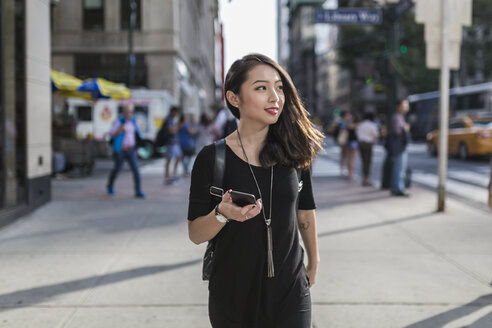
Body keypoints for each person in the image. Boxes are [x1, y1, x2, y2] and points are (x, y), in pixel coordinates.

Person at [187, 53, 324, 327]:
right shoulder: (212, 158)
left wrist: (314, 260)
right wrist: (222, 214)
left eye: (279, 87)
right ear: (234, 98)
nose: (275, 97)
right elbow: (195, 234)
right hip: (233, 293)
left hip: (290, 289)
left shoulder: (295, 152)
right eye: (261, 88)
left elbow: (304, 211)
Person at [107, 104, 145, 198]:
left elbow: (135, 135)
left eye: (131, 112)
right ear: (123, 112)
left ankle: (138, 190)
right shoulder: (119, 122)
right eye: (128, 112)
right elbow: (111, 134)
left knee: (136, 170)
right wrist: (120, 130)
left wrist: (136, 147)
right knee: (117, 169)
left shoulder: (133, 122)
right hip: (120, 150)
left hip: (131, 149)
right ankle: (110, 185)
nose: (130, 114)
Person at [387, 99, 411, 197]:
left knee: (399, 169)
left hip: (399, 147)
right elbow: (398, 132)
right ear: (398, 106)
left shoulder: (400, 117)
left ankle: (396, 188)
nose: (406, 107)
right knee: (399, 169)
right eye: (404, 105)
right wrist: (405, 128)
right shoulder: (397, 117)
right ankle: (398, 188)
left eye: (407, 105)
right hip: (398, 147)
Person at [356, 112, 379, 186]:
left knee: (363, 161)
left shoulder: (361, 125)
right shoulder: (372, 125)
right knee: (367, 162)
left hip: (361, 143)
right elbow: (376, 135)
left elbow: (357, 133)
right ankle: (366, 179)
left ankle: (364, 179)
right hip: (368, 144)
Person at [163, 105, 182, 185]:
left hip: (174, 142)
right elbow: (171, 131)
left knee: (179, 157)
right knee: (168, 159)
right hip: (170, 143)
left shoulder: (172, 119)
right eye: (176, 112)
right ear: (172, 111)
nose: (176, 114)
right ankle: (167, 176)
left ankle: (174, 174)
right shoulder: (168, 119)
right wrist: (178, 127)